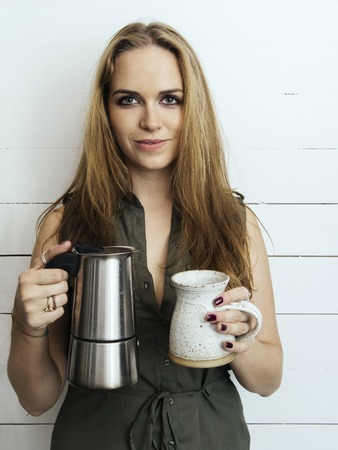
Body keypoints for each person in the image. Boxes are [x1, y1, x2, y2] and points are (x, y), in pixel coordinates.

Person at [8, 22, 283, 450]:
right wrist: (26, 329)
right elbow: (36, 398)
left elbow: (268, 381)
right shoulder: (65, 227)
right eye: (129, 99)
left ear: (193, 110)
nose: (151, 121)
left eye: (170, 99)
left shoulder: (234, 223)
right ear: (106, 110)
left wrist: (241, 337)